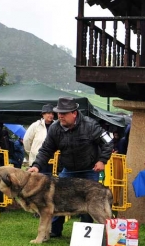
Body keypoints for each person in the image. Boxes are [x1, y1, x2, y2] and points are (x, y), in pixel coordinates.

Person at [27, 97, 113, 238]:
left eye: (64, 113)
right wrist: (36, 166)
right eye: (59, 113)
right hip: (68, 170)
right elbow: (46, 150)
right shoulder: (55, 128)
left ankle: (88, 236)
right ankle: (54, 231)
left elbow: (108, 142)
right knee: (56, 199)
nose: (60, 116)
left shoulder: (91, 125)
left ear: (74, 113)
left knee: (89, 203)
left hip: (89, 170)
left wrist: (102, 160)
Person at [23, 104, 55, 175]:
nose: (51, 115)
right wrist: (32, 152)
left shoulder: (57, 125)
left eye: (52, 113)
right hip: (37, 160)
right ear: (43, 114)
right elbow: (27, 140)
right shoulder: (35, 125)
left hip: (53, 161)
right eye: (49, 113)